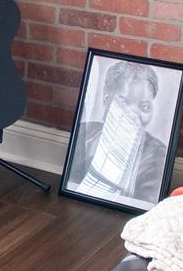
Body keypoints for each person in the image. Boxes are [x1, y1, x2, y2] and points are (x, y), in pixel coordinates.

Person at [68, 60, 169, 204]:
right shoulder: (85, 133)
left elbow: (144, 206)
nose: (133, 113)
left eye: (144, 106)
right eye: (125, 102)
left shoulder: (156, 156)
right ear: (106, 99)